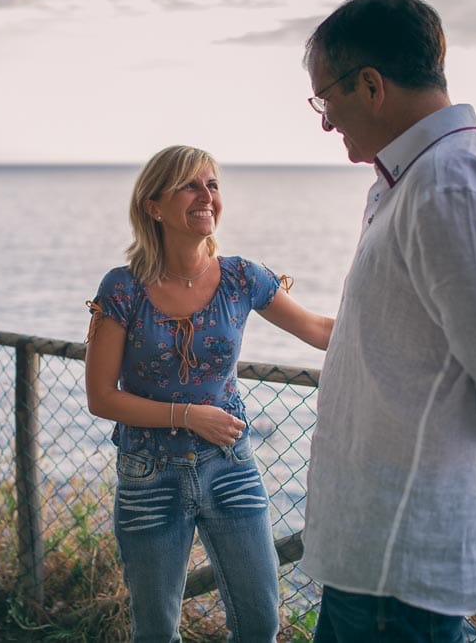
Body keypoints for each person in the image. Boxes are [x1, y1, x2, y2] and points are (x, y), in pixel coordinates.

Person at [299, 0, 476, 643]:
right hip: (373, 558)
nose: (325, 121)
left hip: (403, 572)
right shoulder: (415, 180)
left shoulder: (452, 186)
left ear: (371, 85)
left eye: (325, 98)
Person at [85, 144, 334, 642]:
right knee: (155, 631)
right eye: (190, 185)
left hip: (230, 467)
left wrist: (414, 331)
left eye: (213, 185)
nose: (206, 195)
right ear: (154, 206)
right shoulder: (122, 289)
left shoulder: (242, 277)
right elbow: (101, 398)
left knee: (260, 622)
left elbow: (320, 329)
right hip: (148, 474)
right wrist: (189, 415)